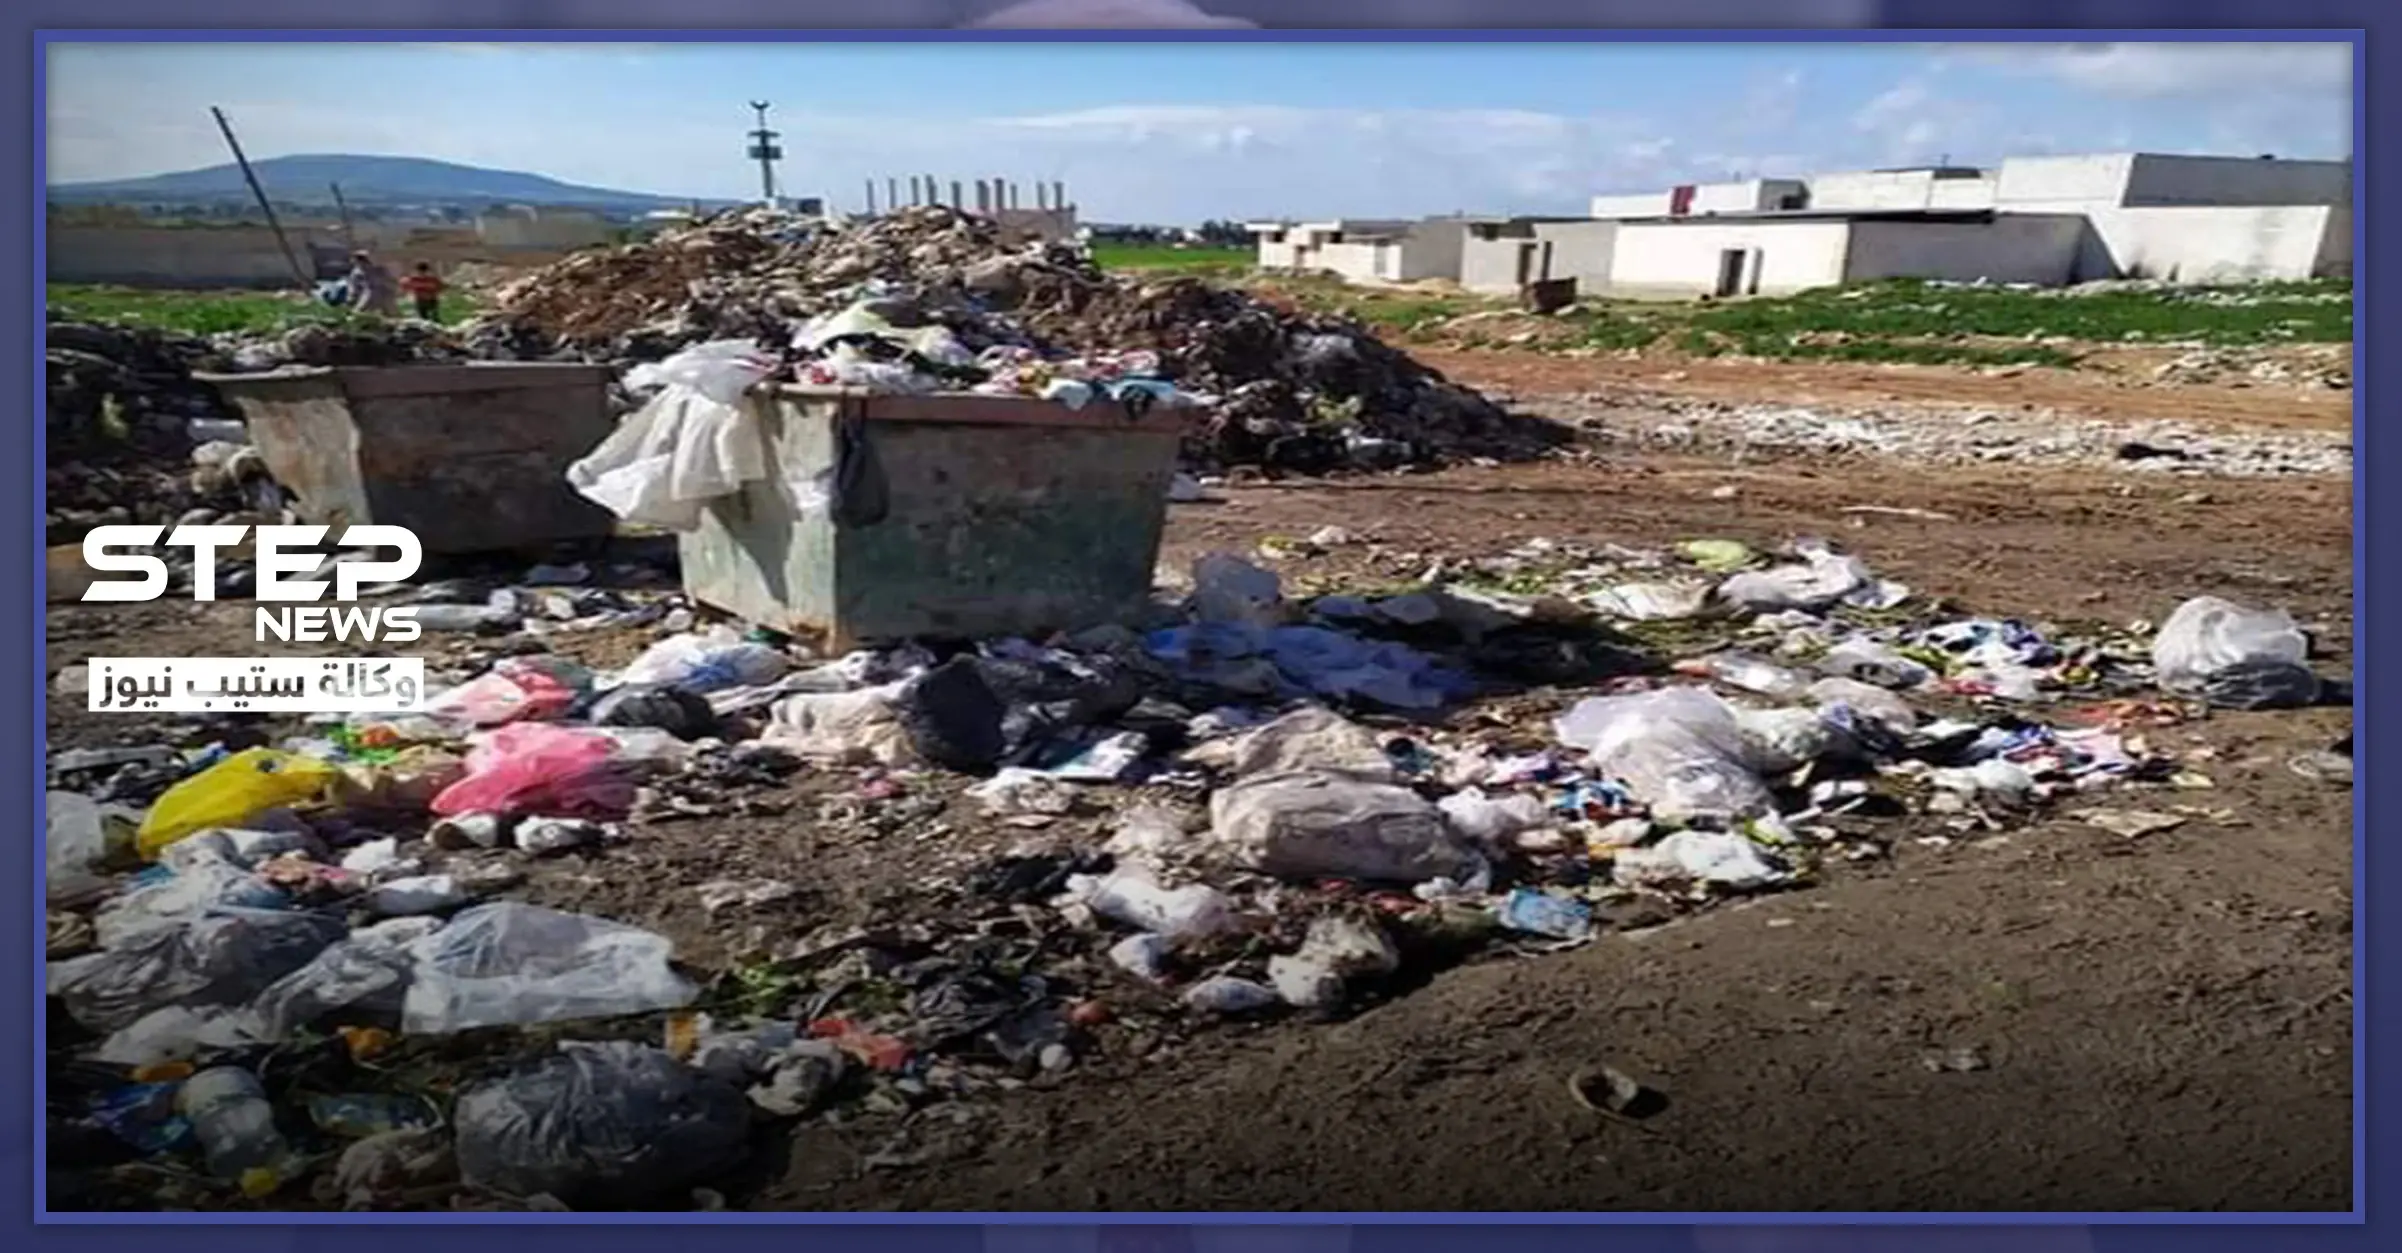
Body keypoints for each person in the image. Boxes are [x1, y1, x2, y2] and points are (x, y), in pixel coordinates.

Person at [345, 251, 400, 317]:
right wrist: (351, 295)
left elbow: (389, 280)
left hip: (381, 292)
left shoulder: (377, 269)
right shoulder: (356, 272)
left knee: (390, 312)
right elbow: (353, 285)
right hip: (369, 293)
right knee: (360, 310)